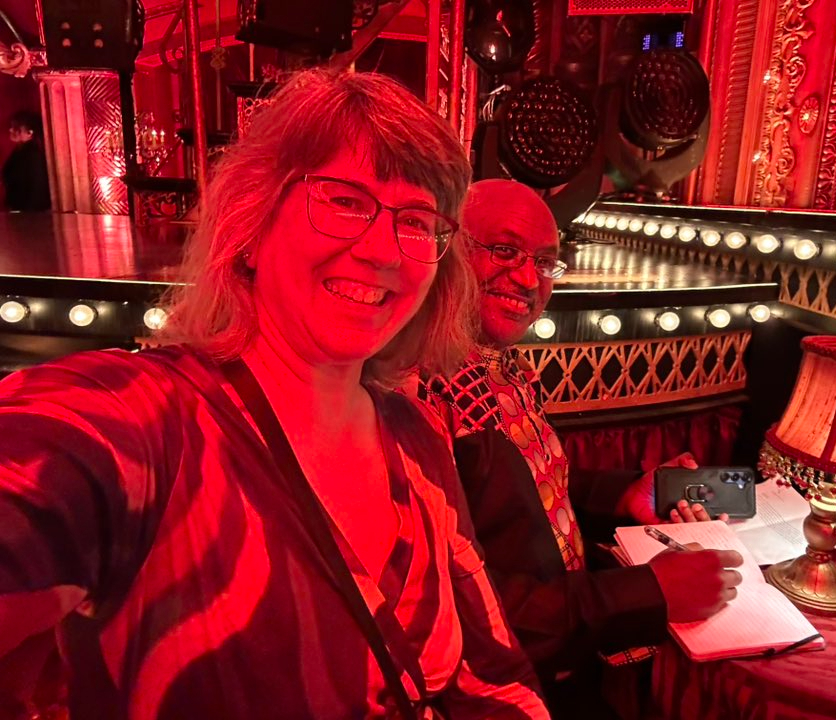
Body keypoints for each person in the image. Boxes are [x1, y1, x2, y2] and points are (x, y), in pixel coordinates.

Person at [0, 72, 547, 719]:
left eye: (417, 221)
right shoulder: (140, 420)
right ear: (252, 222)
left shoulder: (417, 433)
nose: (383, 251)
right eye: (344, 200)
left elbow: (493, 673)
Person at [422, 179, 743, 717]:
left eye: (545, 262)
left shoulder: (502, 365)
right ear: (448, 245)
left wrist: (624, 494)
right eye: (504, 251)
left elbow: (522, 500)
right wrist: (649, 593)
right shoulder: (422, 392)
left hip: (565, 658)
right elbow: (464, 609)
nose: (529, 279)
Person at [2, 110, 51, 212]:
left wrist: (28, 213)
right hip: (19, 209)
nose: (11, 130)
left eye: (16, 128)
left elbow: (37, 187)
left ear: (29, 133)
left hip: (28, 212)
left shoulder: (32, 155)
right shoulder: (18, 152)